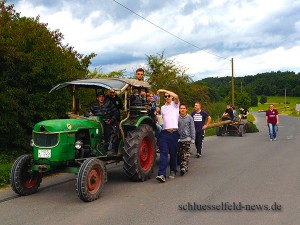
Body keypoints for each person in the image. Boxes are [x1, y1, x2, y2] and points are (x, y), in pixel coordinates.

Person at [156, 89, 180, 182]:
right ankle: (161, 174)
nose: (167, 97)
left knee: (173, 153)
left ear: (171, 97)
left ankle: (173, 170)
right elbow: (162, 119)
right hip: (164, 132)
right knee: (164, 153)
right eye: (165, 96)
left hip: (174, 132)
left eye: (168, 96)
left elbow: (176, 96)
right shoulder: (162, 107)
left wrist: (163, 90)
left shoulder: (175, 104)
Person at [178, 103, 195, 175]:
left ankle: (184, 167)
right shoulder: (176, 117)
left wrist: (192, 138)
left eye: (183, 108)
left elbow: (192, 128)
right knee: (180, 153)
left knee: (185, 153)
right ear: (179, 109)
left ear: (186, 109)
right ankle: (183, 166)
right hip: (179, 138)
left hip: (187, 138)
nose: (182, 110)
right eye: (181, 108)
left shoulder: (189, 118)